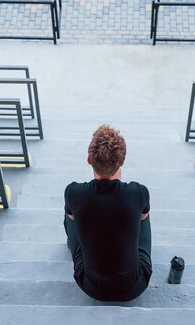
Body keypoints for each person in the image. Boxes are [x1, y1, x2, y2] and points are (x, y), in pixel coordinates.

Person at [63, 125, 152, 302]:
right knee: (143, 215)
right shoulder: (138, 192)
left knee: (71, 214)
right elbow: (142, 219)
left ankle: (72, 245)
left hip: (90, 286)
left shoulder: (74, 192)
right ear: (122, 161)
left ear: (89, 160)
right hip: (136, 286)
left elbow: (73, 219)